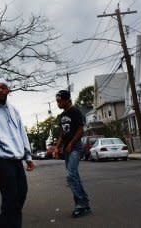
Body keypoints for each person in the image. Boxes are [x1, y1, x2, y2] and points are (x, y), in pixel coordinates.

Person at [0, 78, 35, 228]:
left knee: (21, 194)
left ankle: (0, 225)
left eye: (4, 87)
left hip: (17, 159)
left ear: (9, 90)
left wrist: (28, 156)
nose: (1, 90)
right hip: (1, 160)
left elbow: (22, 133)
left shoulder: (14, 110)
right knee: (11, 197)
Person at [52, 89, 91, 218]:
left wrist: (71, 143)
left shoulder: (75, 111)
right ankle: (83, 204)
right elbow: (63, 134)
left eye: (59, 101)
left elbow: (80, 129)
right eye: (57, 101)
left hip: (76, 147)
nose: (58, 103)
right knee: (74, 177)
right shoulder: (62, 116)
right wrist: (57, 147)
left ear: (67, 100)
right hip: (67, 149)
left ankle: (81, 204)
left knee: (70, 175)